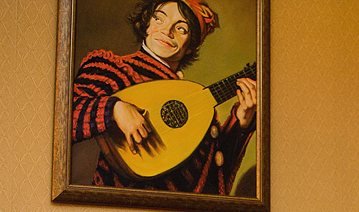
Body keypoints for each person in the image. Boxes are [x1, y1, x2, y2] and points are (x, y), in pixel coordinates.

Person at [72, 0, 257, 194]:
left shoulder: (198, 106)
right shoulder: (111, 69)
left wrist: (240, 124)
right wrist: (115, 109)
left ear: (191, 45)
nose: (167, 31)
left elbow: (213, 185)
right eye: (159, 19)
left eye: (181, 29)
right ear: (147, 24)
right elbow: (66, 119)